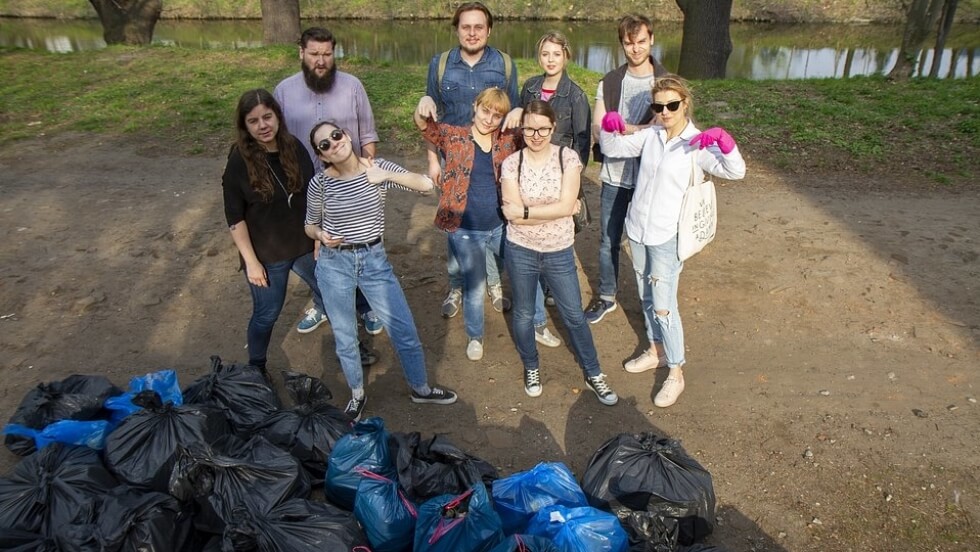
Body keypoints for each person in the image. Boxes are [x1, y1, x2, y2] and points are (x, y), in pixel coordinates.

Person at [598, 75, 745, 407]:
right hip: (638, 230)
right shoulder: (651, 135)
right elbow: (612, 148)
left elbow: (735, 172)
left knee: (664, 307)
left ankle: (676, 372)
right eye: (658, 106)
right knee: (645, 296)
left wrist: (725, 142)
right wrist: (610, 127)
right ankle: (656, 351)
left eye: (672, 105)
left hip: (667, 236)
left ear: (685, 104)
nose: (664, 112)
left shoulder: (696, 145)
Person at [304, 121, 458, 421]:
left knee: (404, 329)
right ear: (322, 156)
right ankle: (357, 395)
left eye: (336, 135)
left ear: (347, 136)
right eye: (325, 144)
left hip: (374, 261)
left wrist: (385, 175)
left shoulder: (378, 169)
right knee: (345, 335)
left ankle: (420, 388)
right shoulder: (320, 183)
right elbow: (309, 224)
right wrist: (320, 236)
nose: (334, 143)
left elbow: (427, 185)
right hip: (334, 264)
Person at [500, 100, 619, 406]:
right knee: (525, 314)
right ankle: (531, 366)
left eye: (543, 128)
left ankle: (593, 372)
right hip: (521, 250)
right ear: (522, 128)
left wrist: (526, 210)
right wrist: (550, 211)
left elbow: (566, 206)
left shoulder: (568, 159)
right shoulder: (512, 163)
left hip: (559, 251)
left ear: (553, 128)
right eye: (529, 128)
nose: (536, 135)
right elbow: (511, 215)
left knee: (574, 316)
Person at [274, 26, 382, 336]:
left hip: (349, 185)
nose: (321, 61)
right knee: (314, 250)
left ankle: (366, 305)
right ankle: (323, 303)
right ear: (301, 53)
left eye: (327, 54)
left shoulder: (352, 87)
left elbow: (368, 137)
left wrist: (367, 177)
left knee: (354, 247)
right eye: (314, 55)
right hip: (303, 186)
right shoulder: (283, 91)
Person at [418, 1, 519, 319]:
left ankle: (494, 282)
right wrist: (433, 161)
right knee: (455, 224)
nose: (472, 32)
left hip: (493, 164)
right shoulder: (441, 63)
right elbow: (429, 119)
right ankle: (457, 285)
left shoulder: (503, 64)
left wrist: (518, 111)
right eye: (466, 26)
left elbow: (513, 113)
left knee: (496, 223)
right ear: (457, 29)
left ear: (488, 30)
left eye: (479, 27)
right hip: (454, 164)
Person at [415, 88, 520, 362]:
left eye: (497, 115)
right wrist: (424, 103)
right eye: (486, 111)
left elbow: (538, 130)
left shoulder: (507, 140)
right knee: (474, 286)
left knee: (521, 269)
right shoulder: (454, 135)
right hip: (465, 229)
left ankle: (534, 323)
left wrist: (522, 112)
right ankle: (475, 335)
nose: (490, 119)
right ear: (475, 106)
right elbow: (425, 126)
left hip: (501, 225)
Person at [220, 89, 319, 373]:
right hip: (266, 255)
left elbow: (312, 196)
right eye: (253, 121)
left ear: (278, 117)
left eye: (267, 117)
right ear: (245, 126)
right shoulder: (239, 160)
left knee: (332, 296)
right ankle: (257, 367)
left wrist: (318, 238)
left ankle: (351, 348)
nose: (263, 126)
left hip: (304, 244)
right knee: (267, 314)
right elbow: (234, 217)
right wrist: (251, 262)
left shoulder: (294, 146)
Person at [504, 30, 592, 344]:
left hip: (558, 180)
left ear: (566, 56)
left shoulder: (576, 96)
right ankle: (535, 308)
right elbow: (518, 131)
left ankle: (551, 289)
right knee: (528, 235)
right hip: (529, 177)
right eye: (545, 54)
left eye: (556, 54)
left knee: (555, 235)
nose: (550, 60)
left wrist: (574, 188)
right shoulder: (529, 87)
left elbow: (582, 146)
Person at [585, 14, 669, 325]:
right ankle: (607, 296)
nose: (635, 49)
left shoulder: (665, 82)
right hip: (615, 176)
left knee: (649, 241)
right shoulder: (609, 81)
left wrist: (630, 128)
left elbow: (664, 126)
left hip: (651, 177)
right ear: (622, 43)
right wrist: (608, 127)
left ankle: (654, 300)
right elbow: (598, 125)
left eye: (641, 42)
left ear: (652, 40)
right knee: (609, 238)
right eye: (629, 43)